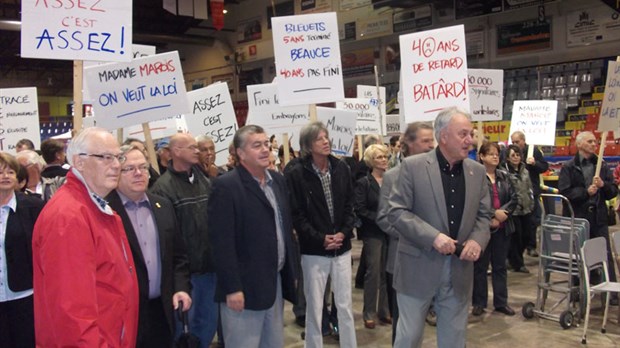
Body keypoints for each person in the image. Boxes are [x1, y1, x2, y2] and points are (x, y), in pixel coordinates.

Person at [387, 107, 492, 348]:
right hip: (417, 267)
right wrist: (433, 237)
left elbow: (483, 215)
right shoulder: (412, 167)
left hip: (458, 270)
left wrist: (477, 240)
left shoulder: (476, 172)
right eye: (463, 134)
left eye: (471, 134)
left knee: (454, 339)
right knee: (409, 337)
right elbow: (396, 211)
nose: (470, 140)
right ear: (443, 136)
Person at [32, 127, 139, 347]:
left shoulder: (91, 207)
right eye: (106, 157)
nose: (117, 165)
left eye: (118, 157)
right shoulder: (69, 217)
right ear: (79, 162)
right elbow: (72, 314)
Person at [208, 125, 299, 347]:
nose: (265, 149)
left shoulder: (277, 181)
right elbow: (221, 243)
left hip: (274, 283)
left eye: (266, 144)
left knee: (273, 343)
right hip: (243, 289)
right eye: (256, 145)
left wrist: (292, 271)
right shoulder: (226, 186)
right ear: (240, 153)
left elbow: (285, 229)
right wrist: (232, 288)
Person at [107, 145, 192, 348]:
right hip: (124, 314)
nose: (139, 173)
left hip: (161, 311)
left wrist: (180, 288)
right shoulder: (105, 211)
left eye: (143, 167)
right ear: (116, 172)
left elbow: (179, 257)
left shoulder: (162, 206)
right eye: (130, 169)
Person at [285, 121, 358, 348]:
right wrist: (319, 238)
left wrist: (343, 234)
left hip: (342, 248)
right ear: (308, 145)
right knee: (314, 307)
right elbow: (296, 214)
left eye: (327, 137)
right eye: (320, 138)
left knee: (345, 305)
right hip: (314, 251)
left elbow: (349, 206)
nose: (326, 142)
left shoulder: (340, 168)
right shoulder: (296, 172)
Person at [150, 133, 217, 347]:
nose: (198, 151)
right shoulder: (162, 188)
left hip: (210, 270)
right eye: (192, 147)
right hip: (185, 277)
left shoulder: (204, 181)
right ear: (176, 151)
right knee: (183, 333)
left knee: (207, 327)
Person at [376, 121, 435, 343]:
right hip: (402, 258)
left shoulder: (440, 174)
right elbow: (384, 217)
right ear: (409, 144)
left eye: (432, 140)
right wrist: (417, 235)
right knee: (403, 326)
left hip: (436, 258)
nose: (431, 145)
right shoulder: (393, 176)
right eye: (425, 141)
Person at [559, 131, 619, 304]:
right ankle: (578, 291)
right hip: (579, 219)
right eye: (590, 141)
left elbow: (613, 191)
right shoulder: (569, 167)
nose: (595, 144)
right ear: (579, 144)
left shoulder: (603, 165)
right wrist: (585, 193)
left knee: (605, 254)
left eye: (595, 141)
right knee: (579, 256)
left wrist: (603, 185)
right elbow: (565, 192)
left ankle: (611, 294)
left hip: (599, 218)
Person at [0, 153, 45, 348]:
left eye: (11, 171)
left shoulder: (33, 206)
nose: (6, 176)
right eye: (1, 172)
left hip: (25, 296)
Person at [472, 142, 517, 317]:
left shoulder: (505, 176)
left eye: (497, 153)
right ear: (481, 156)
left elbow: (514, 198)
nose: (495, 156)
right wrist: (492, 215)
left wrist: (504, 213)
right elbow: (474, 201)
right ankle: (479, 302)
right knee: (480, 267)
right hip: (483, 228)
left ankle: (501, 302)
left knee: (500, 267)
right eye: (490, 154)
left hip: (504, 227)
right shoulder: (476, 177)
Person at [354, 144, 391, 329]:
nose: (383, 160)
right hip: (373, 232)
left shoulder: (392, 180)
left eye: (385, 156)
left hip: (391, 232)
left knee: (387, 272)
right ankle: (369, 312)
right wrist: (380, 219)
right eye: (379, 157)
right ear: (371, 161)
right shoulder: (364, 183)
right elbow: (360, 208)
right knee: (373, 273)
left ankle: (385, 311)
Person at [511, 130, 549, 255]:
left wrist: (534, 164)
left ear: (523, 140)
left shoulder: (534, 151)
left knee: (534, 219)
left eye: (517, 141)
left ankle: (531, 246)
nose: (515, 144)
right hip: (517, 192)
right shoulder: (510, 152)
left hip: (532, 190)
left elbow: (544, 167)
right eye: (513, 142)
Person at [501, 145, 535, 273]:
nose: (516, 157)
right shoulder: (504, 172)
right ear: (508, 158)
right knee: (516, 237)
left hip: (526, 208)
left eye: (518, 155)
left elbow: (529, 187)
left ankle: (514, 258)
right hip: (513, 211)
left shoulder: (525, 170)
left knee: (527, 236)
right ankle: (518, 263)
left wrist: (531, 203)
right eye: (513, 155)